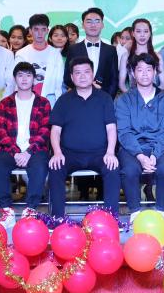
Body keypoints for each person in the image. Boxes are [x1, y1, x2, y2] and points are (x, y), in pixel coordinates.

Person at [48, 57, 121, 218]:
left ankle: (111, 218)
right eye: (78, 73)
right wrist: (57, 152)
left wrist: (110, 152)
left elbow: (111, 128)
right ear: (72, 77)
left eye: (86, 72)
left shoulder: (105, 98)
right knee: (55, 167)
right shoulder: (63, 101)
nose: (82, 76)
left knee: (112, 167)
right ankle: (57, 218)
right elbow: (55, 131)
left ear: (92, 74)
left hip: (99, 153)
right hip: (69, 154)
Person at [116, 53, 164, 222]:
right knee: (129, 170)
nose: (144, 74)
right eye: (140, 70)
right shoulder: (123, 100)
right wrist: (141, 156)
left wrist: (155, 155)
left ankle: (161, 211)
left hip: (159, 146)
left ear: (155, 72)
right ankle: (135, 212)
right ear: (133, 73)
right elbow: (124, 132)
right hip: (132, 147)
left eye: (148, 69)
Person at [0, 62, 51, 228]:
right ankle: (7, 211)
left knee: (40, 167)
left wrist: (28, 152)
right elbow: (1, 131)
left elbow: (45, 131)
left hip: (35, 150)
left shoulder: (43, 103)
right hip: (11, 149)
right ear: (15, 79)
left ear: (34, 79)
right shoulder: (5, 103)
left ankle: (30, 210)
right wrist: (16, 152)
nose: (24, 79)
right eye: (20, 75)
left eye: (28, 75)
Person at [63, 8, 119, 93]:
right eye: (89, 22)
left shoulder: (111, 50)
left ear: (102, 25)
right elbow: (67, 77)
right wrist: (83, 88)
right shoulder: (73, 49)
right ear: (83, 25)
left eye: (97, 21)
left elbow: (114, 79)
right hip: (78, 97)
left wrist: (107, 97)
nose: (93, 25)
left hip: (103, 98)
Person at [16, 14, 65, 104]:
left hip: (50, 101)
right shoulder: (21, 54)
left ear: (47, 31)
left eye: (43, 29)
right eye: (36, 29)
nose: (40, 33)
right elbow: (17, 82)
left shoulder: (55, 54)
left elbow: (59, 83)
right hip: (25, 101)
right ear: (30, 31)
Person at [119, 18, 164, 93]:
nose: (142, 35)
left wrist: (153, 95)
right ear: (133, 34)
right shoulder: (126, 57)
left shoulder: (157, 56)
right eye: (138, 31)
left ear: (150, 33)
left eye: (146, 31)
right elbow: (121, 84)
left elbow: (163, 83)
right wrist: (132, 96)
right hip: (133, 97)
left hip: (153, 98)